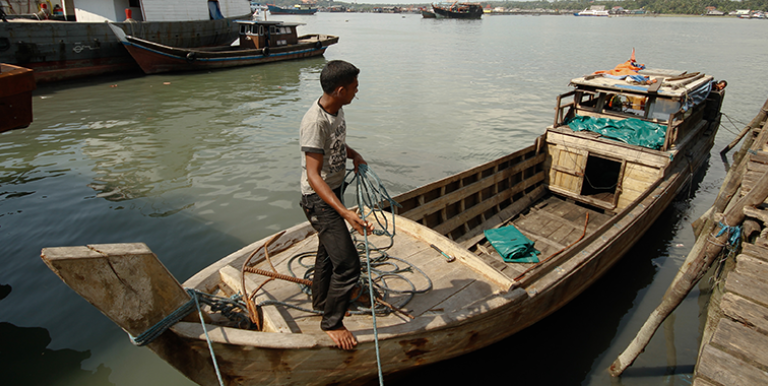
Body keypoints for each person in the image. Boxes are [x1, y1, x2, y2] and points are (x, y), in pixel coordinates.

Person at [299, 60, 373, 350]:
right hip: (319, 199)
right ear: (340, 90)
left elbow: (337, 144)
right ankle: (331, 322)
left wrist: (355, 154)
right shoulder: (314, 122)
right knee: (348, 265)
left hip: (334, 190)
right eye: (354, 87)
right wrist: (343, 212)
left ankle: (320, 301)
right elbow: (312, 175)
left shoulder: (336, 110)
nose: (357, 91)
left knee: (328, 254)